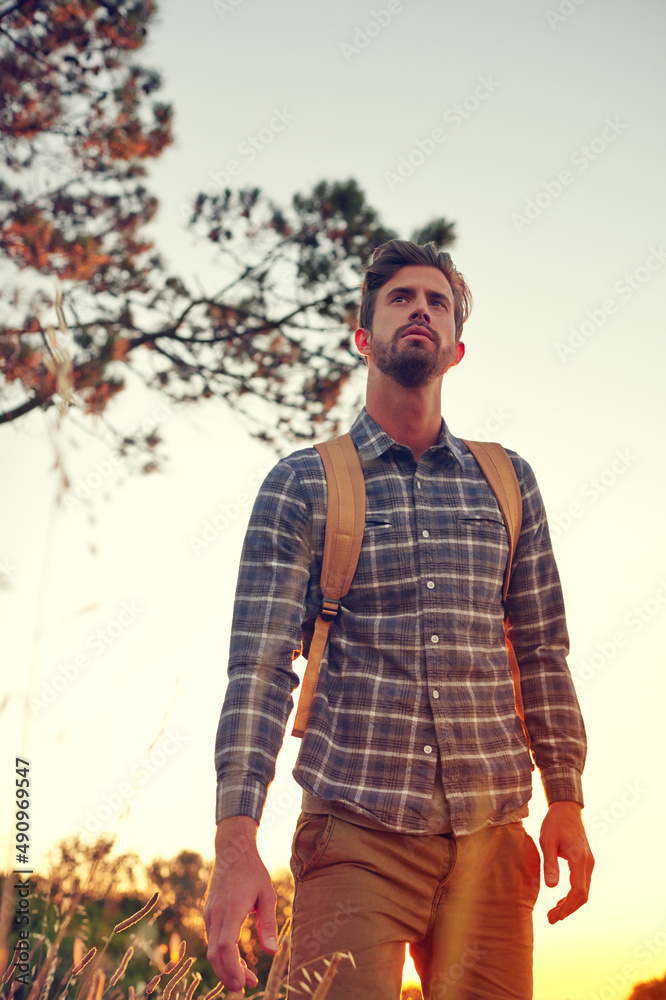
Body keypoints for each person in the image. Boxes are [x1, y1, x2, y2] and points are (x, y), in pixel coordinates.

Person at [204, 239, 594, 999]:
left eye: (436, 302)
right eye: (400, 299)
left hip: (492, 844)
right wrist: (235, 841)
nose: (420, 309)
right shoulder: (302, 483)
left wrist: (567, 800)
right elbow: (258, 667)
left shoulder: (508, 481)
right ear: (363, 337)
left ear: (455, 349)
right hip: (354, 839)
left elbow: (542, 652)